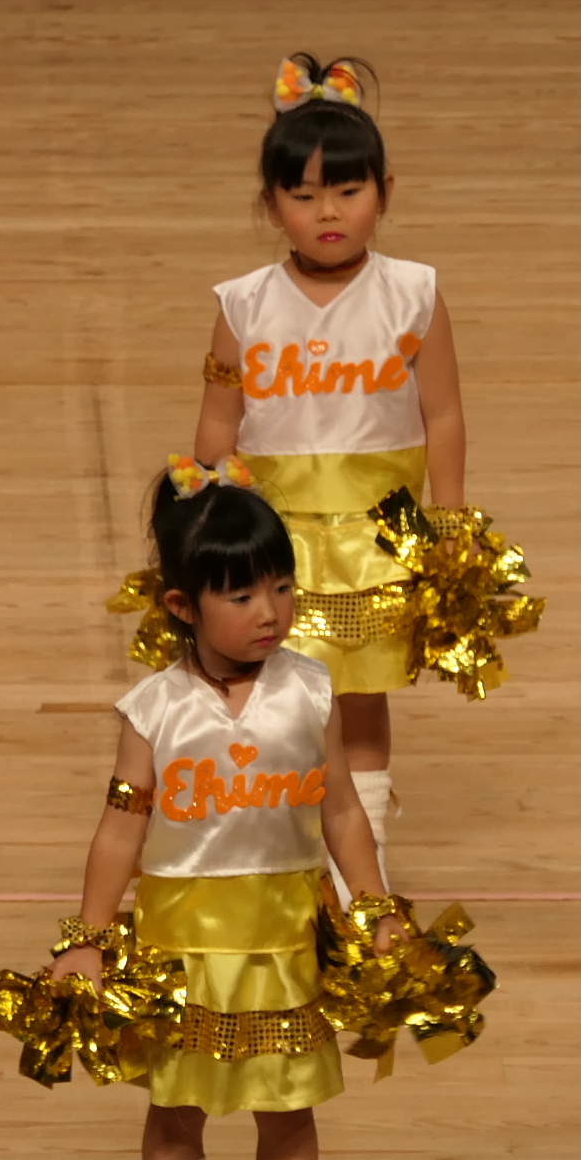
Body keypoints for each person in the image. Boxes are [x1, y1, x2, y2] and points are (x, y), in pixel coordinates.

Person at [47, 456, 402, 1160]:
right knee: (175, 1109)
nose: (270, 611)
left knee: (289, 1105)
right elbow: (121, 829)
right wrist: (86, 936)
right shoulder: (152, 709)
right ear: (182, 606)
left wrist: (376, 909)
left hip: (284, 940)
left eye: (280, 587)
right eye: (242, 595)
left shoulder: (311, 689)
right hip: (181, 945)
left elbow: (343, 812)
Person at [191, 56, 469, 892]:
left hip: (377, 536)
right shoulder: (242, 304)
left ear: (385, 190)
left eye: (348, 191)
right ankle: (276, 850)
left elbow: (443, 414)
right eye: (304, 195)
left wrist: (451, 523)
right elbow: (219, 417)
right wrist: (205, 517)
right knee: (266, 690)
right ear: (270, 204)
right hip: (274, 537)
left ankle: (361, 868)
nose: (328, 212)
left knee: (360, 693)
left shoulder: (414, 294)